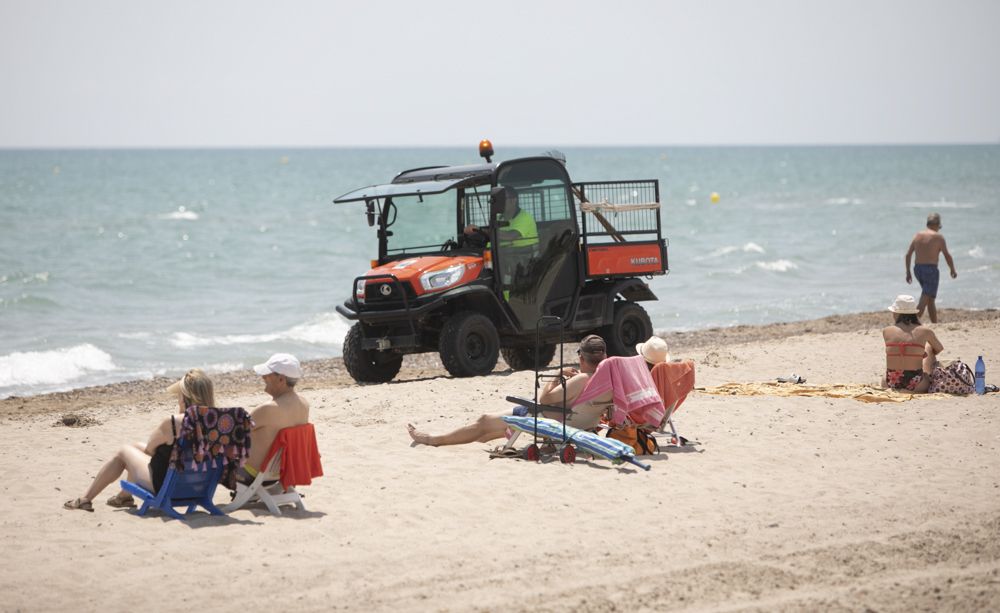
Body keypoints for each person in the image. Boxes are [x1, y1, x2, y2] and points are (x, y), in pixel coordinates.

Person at [407, 334, 608, 446]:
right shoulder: (606, 381)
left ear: (581, 357)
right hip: (579, 424)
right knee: (485, 433)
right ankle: (486, 435)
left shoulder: (582, 379)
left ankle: (435, 440)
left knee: (484, 420)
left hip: (545, 417)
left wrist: (557, 375)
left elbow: (545, 399)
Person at [63, 369, 216, 512]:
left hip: (170, 487)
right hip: (196, 487)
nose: (178, 399)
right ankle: (124, 497)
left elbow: (150, 450)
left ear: (184, 397)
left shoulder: (173, 423)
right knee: (136, 447)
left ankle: (85, 499)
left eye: (179, 395)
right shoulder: (217, 424)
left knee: (124, 452)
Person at [237, 353, 311, 484]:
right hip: (281, 475)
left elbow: (236, 433)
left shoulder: (267, 410)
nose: (263, 377)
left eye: (267, 374)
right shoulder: (304, 405)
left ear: (281, 379)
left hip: (251, 476)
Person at [882, 295, 944, 393]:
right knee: (928, 348)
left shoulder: (886, 331)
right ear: (913, 313)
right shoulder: (925, 331)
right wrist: (920, 353)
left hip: (890, 383)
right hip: (916, 385)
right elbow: (939, 348)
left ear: (897, 313)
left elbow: (900, 346)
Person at [905, 212, 957, 323]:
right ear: (937, 225)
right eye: (939, 227)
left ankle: (935, 324)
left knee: (930, 298)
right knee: (925, 297)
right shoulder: (938, 237)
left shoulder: (917, 235)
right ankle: (911, 321)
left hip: (917, 269)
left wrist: (908, 272)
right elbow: (947, 255)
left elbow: (908, 255)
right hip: (930, 270)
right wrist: (952, 269)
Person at [462, 186, 538, 250]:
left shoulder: (525, 217)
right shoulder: (498, 217)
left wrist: (480, 230)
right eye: (498, 200)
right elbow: (491, 234)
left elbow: (509, 236)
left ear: (513, 201)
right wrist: (475, 231)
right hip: (501, 255)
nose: (499, 202)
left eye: (503, 199)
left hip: (522, 257)